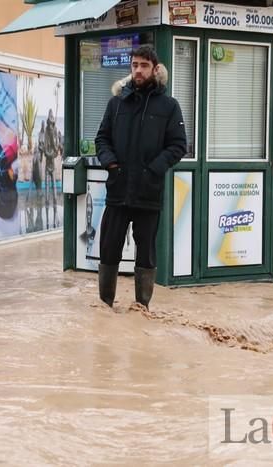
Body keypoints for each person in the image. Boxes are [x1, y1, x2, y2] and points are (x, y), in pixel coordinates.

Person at [95, 45, 186, 309]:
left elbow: (178, 145)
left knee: (145, 252)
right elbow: (102, 138)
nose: (138, 70)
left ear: (155, 69)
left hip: (148, 193)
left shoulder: (168, 106)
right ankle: (104, 306)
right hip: (118, 190)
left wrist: (152, 170)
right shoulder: (116, 103)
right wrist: (111, 164)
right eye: (134, 65)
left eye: (144, 65)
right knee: (109, 248)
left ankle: (142, 308)